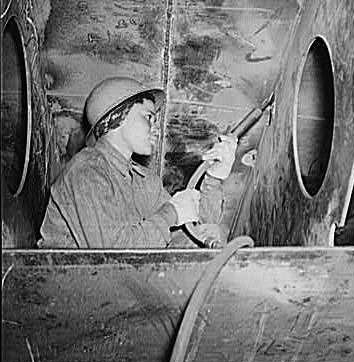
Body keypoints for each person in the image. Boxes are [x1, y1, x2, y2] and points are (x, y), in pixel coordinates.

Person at [38, 77, 237, 248]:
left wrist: (214, 178)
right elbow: (110, 258)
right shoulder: (85, 172)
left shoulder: (144, 182)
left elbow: (195, 232)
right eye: (148, 117)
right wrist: (170, 213)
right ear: (116, 118)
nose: (155, 128)